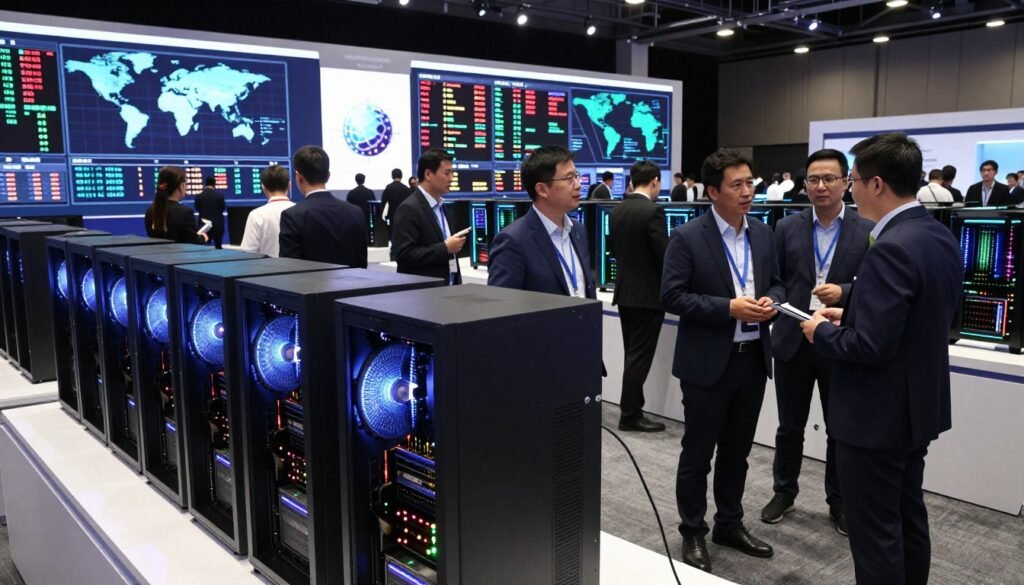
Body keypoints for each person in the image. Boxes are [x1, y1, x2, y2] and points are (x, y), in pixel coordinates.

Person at [800, 132, 962, 585]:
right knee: (909, 515)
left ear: (875, 184)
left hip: (876, 419)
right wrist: (853, 307)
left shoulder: (889, 245)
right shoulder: (936, 234)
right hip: (915, 409)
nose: (847, 190)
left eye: (850, 180)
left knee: (876, 535)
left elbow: (870, 346)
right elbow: (926, 311)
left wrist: (823, 331)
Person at [661, 149, 784, 574]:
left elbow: (779, 283)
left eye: (751, 183)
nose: (748, 191)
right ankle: (692, 529)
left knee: (738, 452)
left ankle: (729, 523)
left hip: (753, 360)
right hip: (708, 363)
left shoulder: (763, 234)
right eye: (738, 185)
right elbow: (672, 296)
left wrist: (775, 300)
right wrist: (727, 307)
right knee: (698, 454)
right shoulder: (688, 237)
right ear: (713, 191)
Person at [760, 149, 874, 537]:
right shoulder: (786, 227)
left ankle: (839, 501)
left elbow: (876, 285)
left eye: (829, 178)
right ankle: (783, 492)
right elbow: (775, 278)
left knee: (839, 427)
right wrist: (773, 301)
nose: (821, 186)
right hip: (793, 338)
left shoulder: (867, 227)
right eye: (813, 179)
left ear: (846, 182)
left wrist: (844, 290)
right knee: (788, 427)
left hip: (838, 340)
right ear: (804, 184)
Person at [488, 145, 595, 299]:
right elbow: (500, 306)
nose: (578, 185)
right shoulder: (514, 241)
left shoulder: (577, 230)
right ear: (542, 190)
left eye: (576, 176)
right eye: (569, 179)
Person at [608, 160, 668, 433]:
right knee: (639, 358)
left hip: (625, 294)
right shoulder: (652, 211)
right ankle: (631, 415)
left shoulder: (617, 210)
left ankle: (631, 410)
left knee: (632, 355)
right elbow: (663, 256)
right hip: (648, 296)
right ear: (655, 180)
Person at [278, 145, 367, 267]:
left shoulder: (292, 216)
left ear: (298, 177)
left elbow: (289, 267)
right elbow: (362, 265)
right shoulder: (356, 212)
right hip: (354, 285)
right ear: (328, 176)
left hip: (309, 286)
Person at [392, 148, 465, 284]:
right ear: (428, 174)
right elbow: (403, 255)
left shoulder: (443, 207)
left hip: (448, 290)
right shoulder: (409, 208)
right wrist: (445, 248)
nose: (451, 178)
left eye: (452, 173)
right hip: (423, 295)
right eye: (447, 173)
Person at [239, 164, 295, 257]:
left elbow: (247, 253)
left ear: (263, 187)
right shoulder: (302, 212)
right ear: (289, 185)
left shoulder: (256, 215)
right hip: (301, 270)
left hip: (267, 270)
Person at [144, 166, 209, 244]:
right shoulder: (185, 213)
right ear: (181, 186)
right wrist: (203, 238)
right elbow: (193, 244)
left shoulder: (150, 211)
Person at [194, 176, 226, 248]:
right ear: (214, 185)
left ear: (205, 184)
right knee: (218, 247)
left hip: (204, 226)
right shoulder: (219, 196)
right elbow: (223, 208)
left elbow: (196, 208)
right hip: (218, 225)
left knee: (203, 247)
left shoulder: (199, 196)